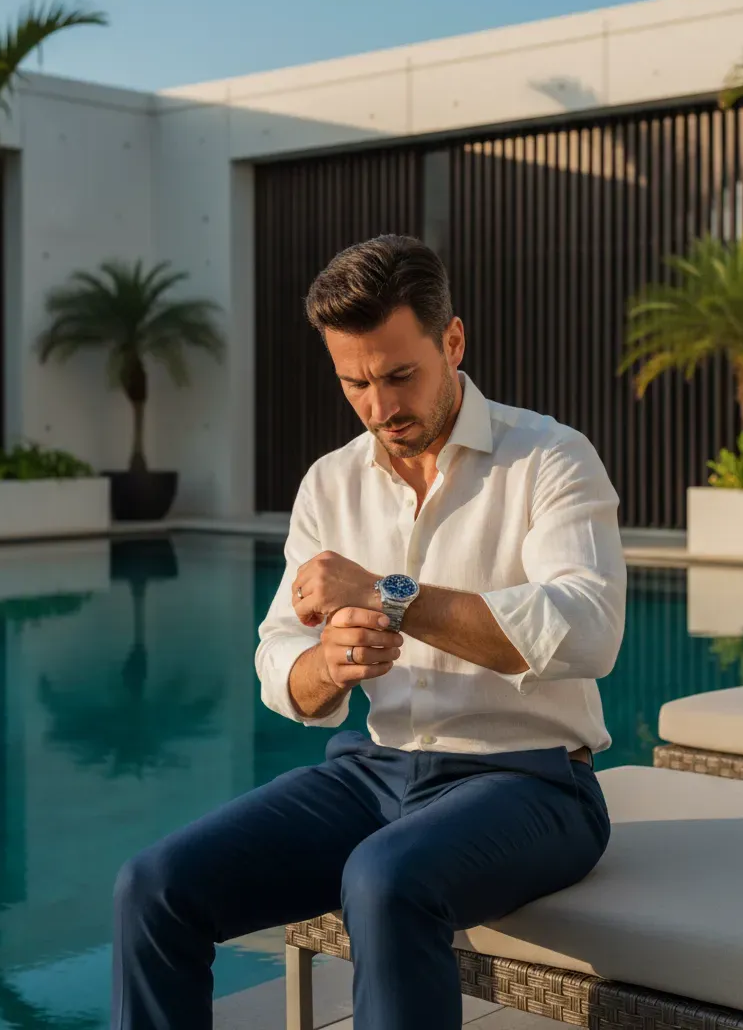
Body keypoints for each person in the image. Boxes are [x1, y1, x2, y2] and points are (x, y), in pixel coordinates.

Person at [112, 234, 627, 1030]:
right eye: (354, 382)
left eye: (399, 376)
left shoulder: (550, 460)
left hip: (534, 783)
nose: (380, 407)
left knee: (385, 879)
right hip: (375, 774)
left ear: (452, 341)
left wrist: (392, 597)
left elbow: (589, 630)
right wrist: (331, 662)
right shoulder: (331, 481)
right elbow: (280, 662)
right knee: (154, 886)